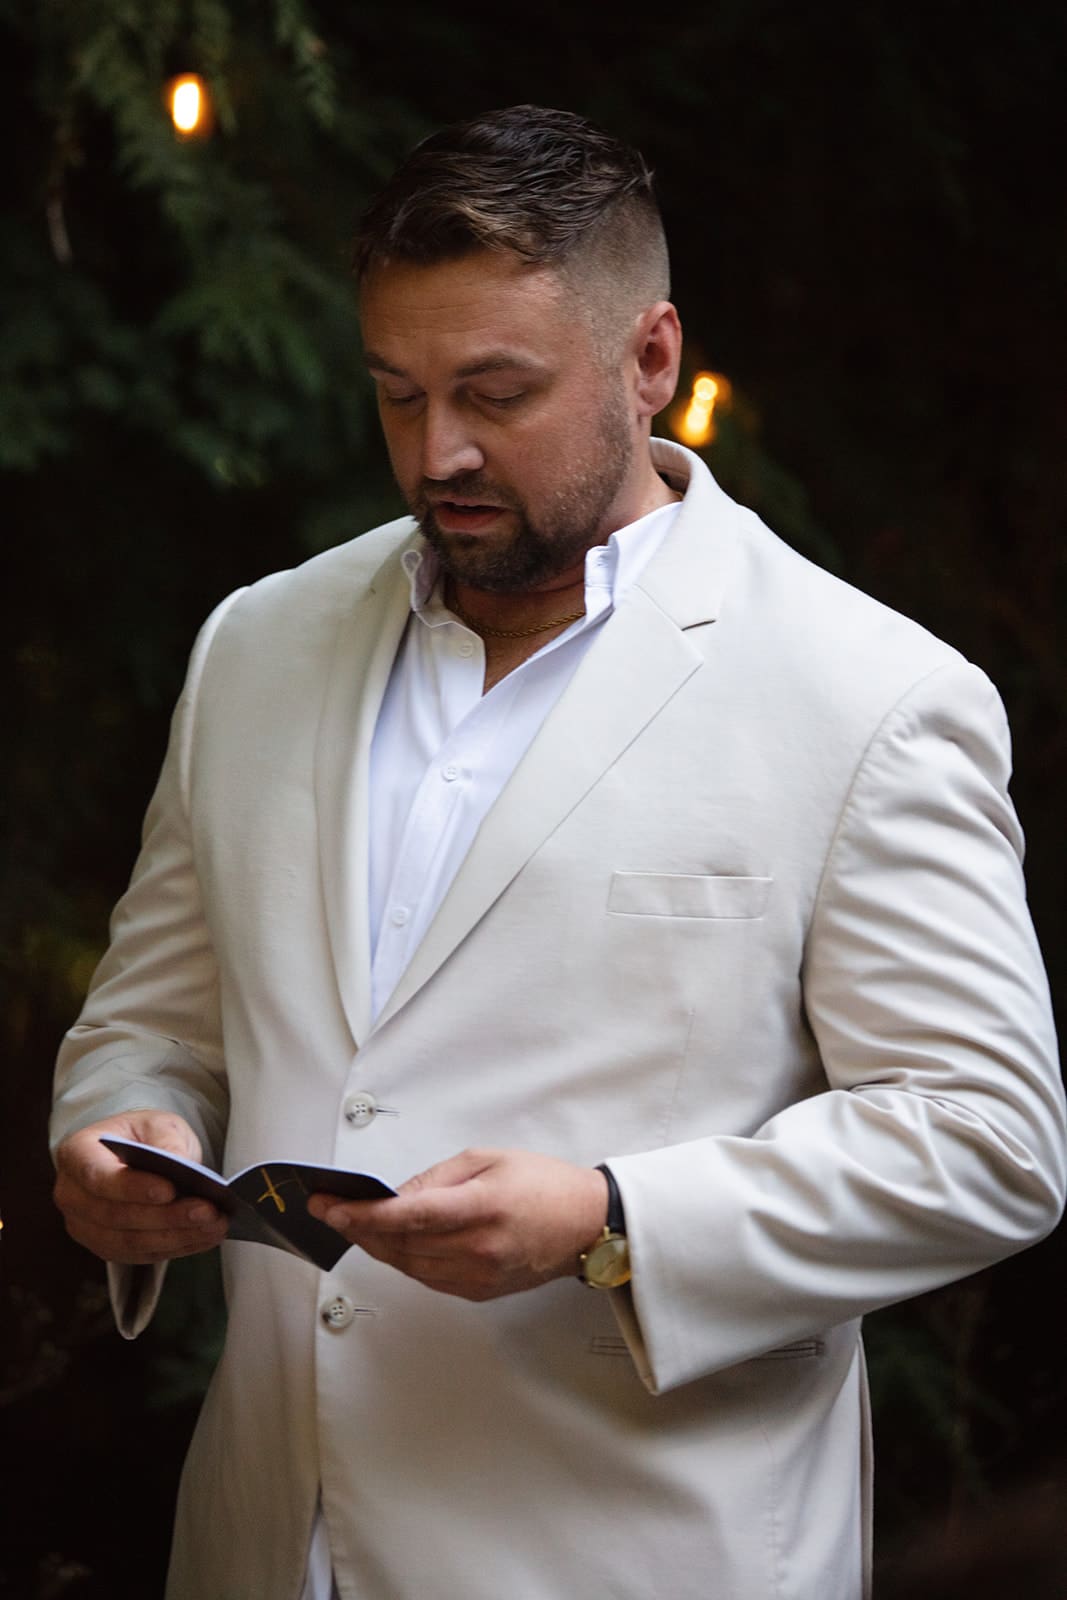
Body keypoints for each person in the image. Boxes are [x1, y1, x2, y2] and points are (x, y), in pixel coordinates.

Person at [51, 104, 1064, 1600]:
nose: (437, 448)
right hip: (263, 1552)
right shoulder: (256, 645)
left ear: (650, 361)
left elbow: (991, 1143)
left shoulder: (870, 697)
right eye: (396, 394)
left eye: (495, 392)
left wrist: (612, 1220)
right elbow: (149, 1023)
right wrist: (123, 1139)